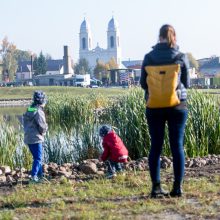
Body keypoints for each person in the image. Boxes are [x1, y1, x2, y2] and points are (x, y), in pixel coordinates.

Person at [140, 24, 190, 197]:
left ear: (159, 37)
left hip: (154, 106)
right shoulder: (180, 57)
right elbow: (187, 84)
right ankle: (177, 188)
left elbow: (142, 84)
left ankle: (156, 187)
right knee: (177, 146)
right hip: (177, 106)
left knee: (156, 146)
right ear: (173, 37)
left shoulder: (149, 57)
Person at [23, 90, 48, 183]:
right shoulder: (39, 111)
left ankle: (40, 176)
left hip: (28, 137)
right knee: (38, 158)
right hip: (36, 138)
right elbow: (42, 126)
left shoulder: (30, 108)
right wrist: (44, 132)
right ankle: (33, 177)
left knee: (37, 157)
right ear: (42, 100)